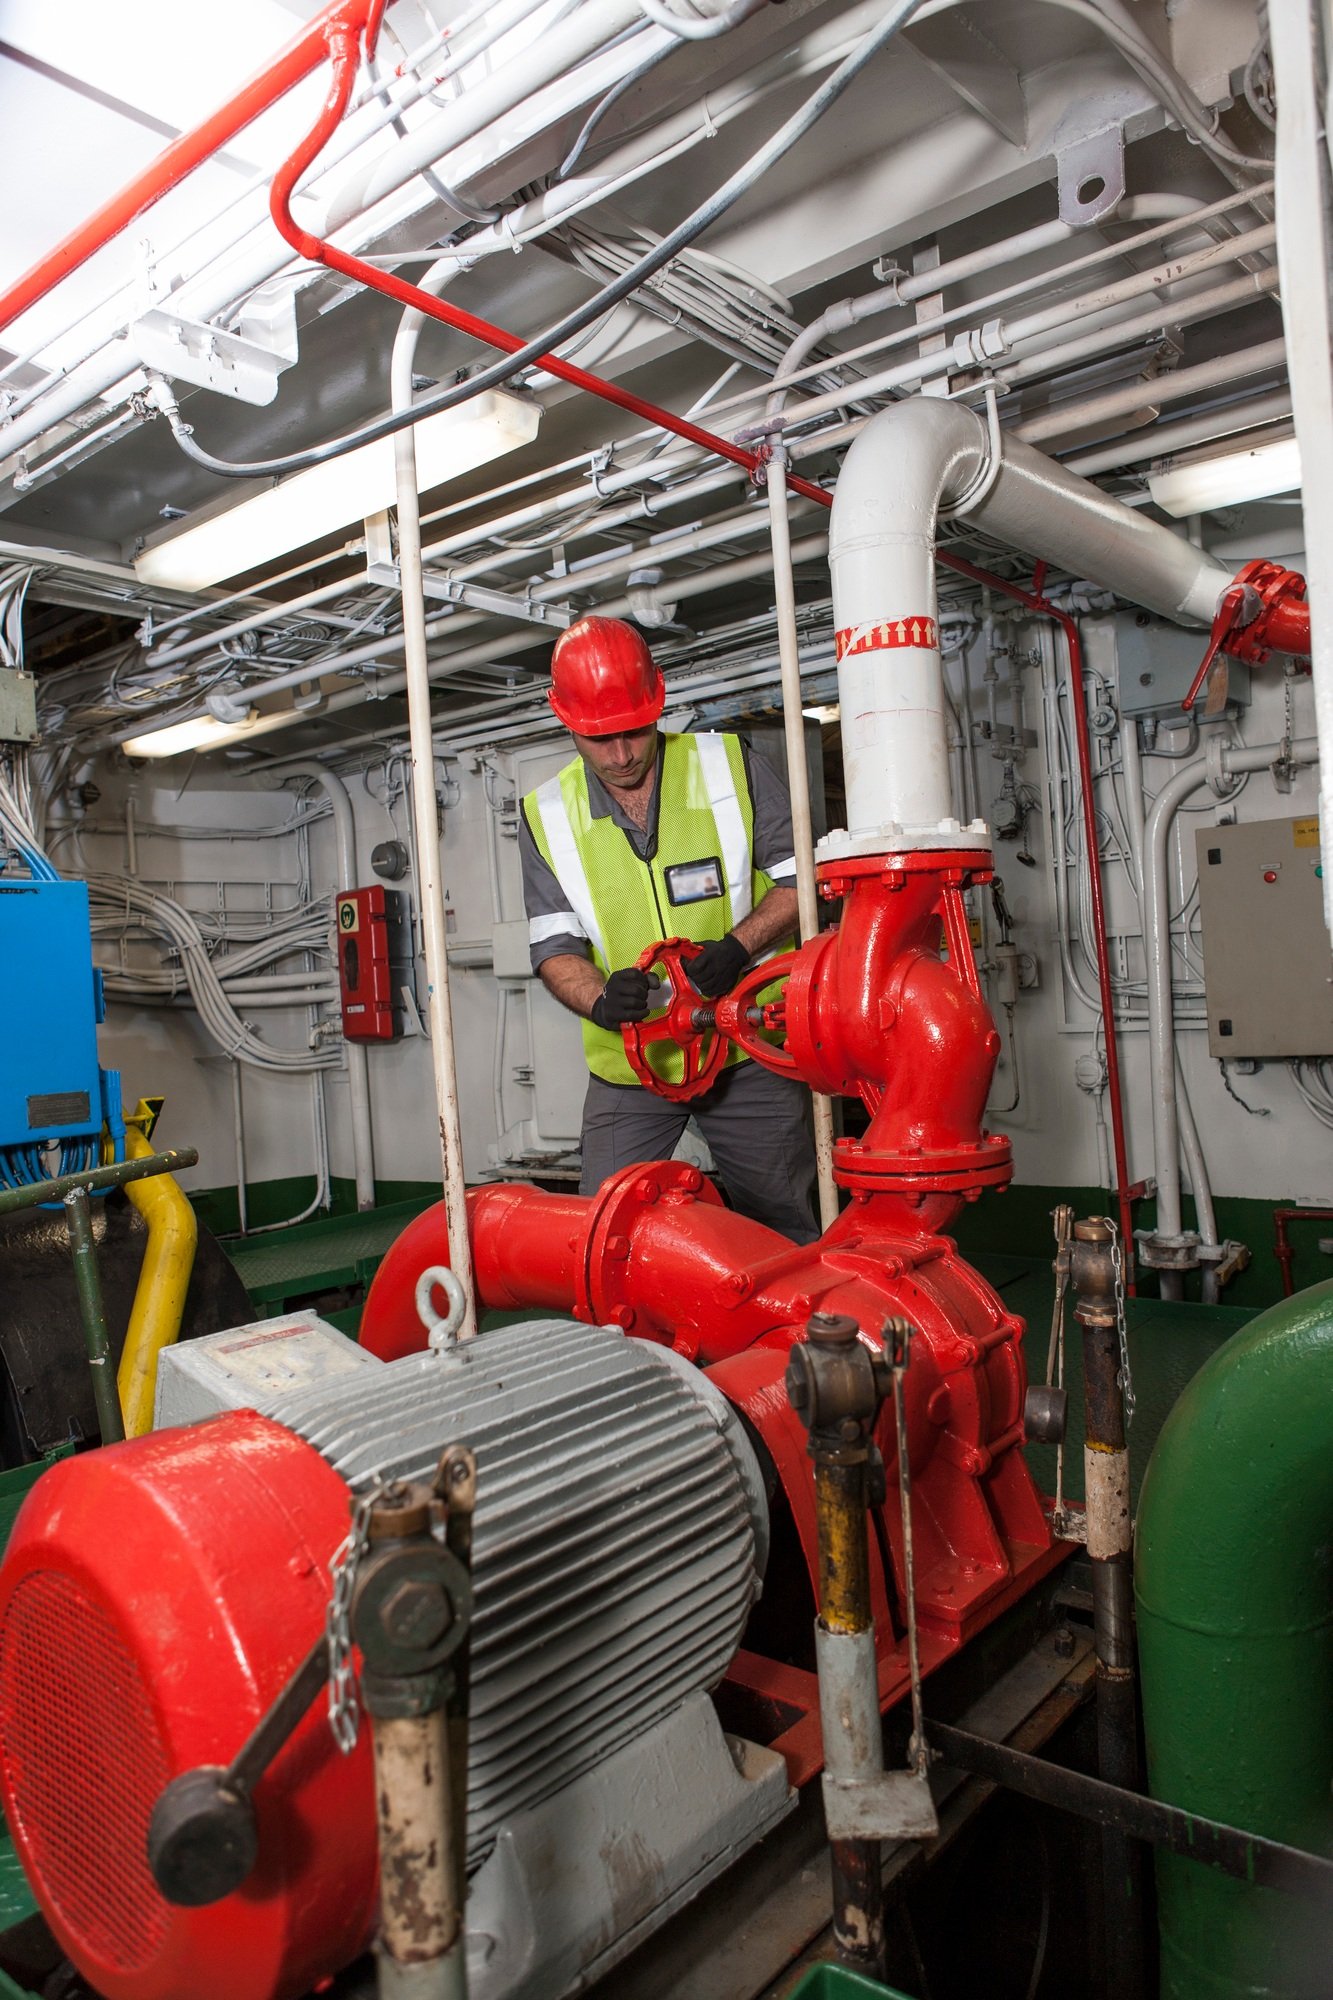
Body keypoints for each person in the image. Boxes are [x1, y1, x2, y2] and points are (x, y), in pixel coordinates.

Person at [519, 614, 819, 1243]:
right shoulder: (546, 814)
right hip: (631, 1065)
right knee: (605, 1232)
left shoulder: (731, 767)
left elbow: (803, 883)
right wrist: (600, 1001)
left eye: (633, 731)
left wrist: (739, 946)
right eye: (601, 739)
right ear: (566, 722)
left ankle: (790, 1340)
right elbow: (555, 946)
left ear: (658, 704)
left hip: (748, 1047)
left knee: (781, 1225)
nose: (622, 754)